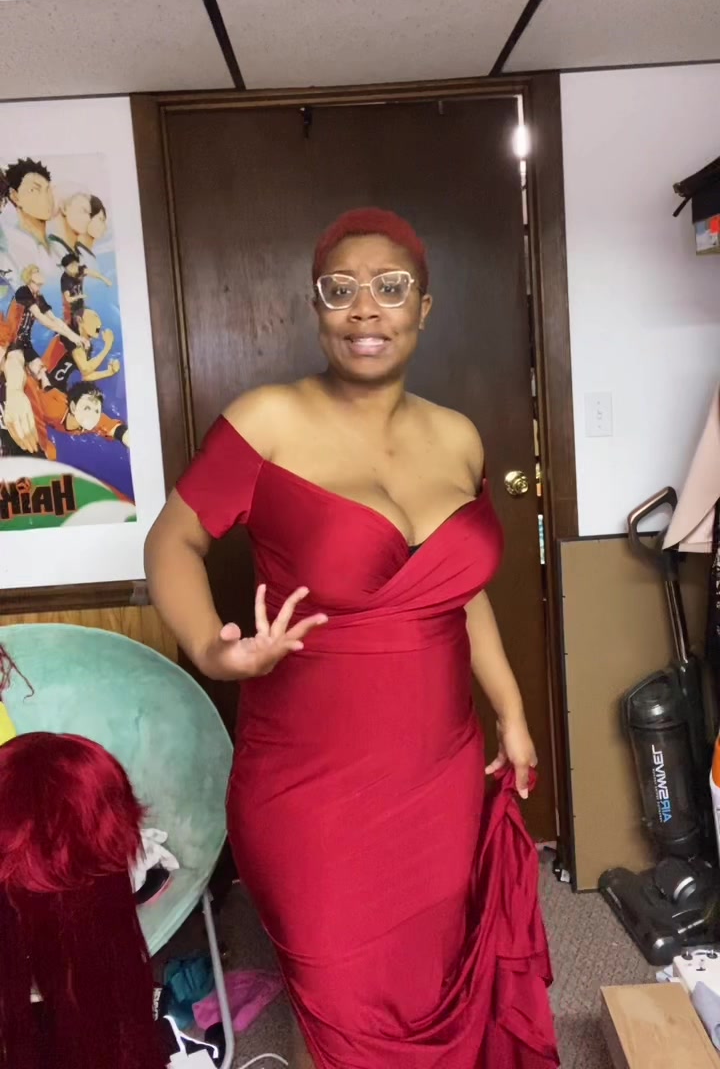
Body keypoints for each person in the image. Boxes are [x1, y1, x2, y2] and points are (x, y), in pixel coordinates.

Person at [145, 208, 557, 1069]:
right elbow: (171, 540)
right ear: (316, 308)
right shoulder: (267, 420)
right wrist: (217, 650)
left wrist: (512, 710)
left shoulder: (459, 436)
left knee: (428, 979)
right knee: (342, 1002)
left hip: (438, 770)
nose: (365, 308)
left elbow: (455, 592)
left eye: (390, 288)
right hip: (310, 784)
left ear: (424, 308)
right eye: (341, 290)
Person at [5, 265, 87, 392]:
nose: (39, 288)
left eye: (40, 285)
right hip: (10, 342)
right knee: (17, 373)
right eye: (37, 284)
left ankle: (47, 394)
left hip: (24, 343)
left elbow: (54, 319)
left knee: (42, 372)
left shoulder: (38, 297)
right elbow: (42, 319)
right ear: (29, 280)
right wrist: (72, 337)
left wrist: (76, 337)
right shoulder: (23, 292)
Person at [43, 307, 120, 391]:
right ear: (79, 320)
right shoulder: (70, 334)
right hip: (43, 381)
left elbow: (86, 376)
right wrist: (107, 347)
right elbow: (85, 369)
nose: (99, 323)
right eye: (93, 317)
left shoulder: (87, 347)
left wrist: (109, 372)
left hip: (56, 389)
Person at [59, 253, 112, 325]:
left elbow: (93, 273)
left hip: (80, 305)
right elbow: (68, 299)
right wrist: (79, 296)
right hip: (70, 309)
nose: (74, 269)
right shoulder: (65, 280)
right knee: (74, 325)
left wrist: (105, 279)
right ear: (65, 269)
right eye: (70, 267)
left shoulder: (80, 270)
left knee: (88, 321)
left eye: (75, 265)